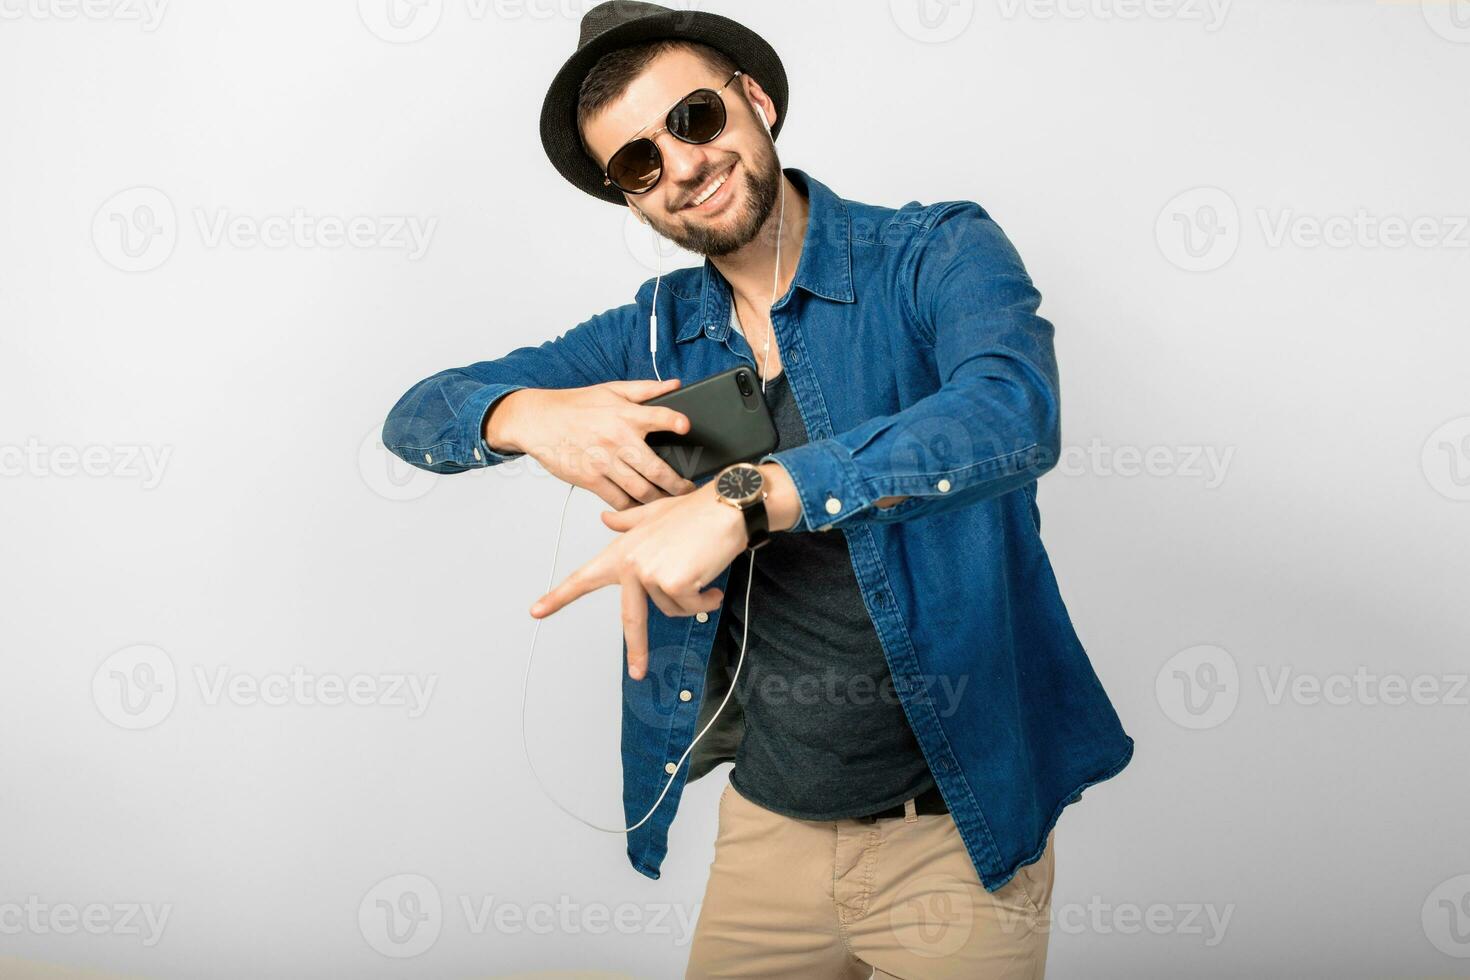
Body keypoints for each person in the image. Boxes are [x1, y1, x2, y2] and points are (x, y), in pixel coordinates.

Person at [382, 3, 1134, 976]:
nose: (682, 164)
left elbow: (1011, 413)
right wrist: (524, 414)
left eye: (693, 118)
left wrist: (746, 494)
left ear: (755, 99)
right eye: (638, 162)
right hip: (767, 831)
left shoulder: (935, 251)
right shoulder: (652, 333)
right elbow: (414, 416)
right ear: (631, 198)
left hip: (956, 835)